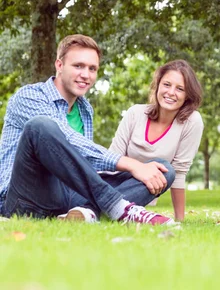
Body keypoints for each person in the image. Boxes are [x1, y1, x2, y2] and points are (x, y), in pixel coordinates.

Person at [0, 34, 176, 225]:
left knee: (161, 169)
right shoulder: (29, 96)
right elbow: (68, 139)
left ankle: (85, 213)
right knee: (40, 126)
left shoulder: (84, 109)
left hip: (66, 197)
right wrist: (131, 164)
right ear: (59, 65)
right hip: (25, 198)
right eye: (78, 66)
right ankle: (117, 208)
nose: (86, 75)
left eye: (92, 69)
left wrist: (139, 169)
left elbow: (81, 163)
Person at [109, 60, 204, 222]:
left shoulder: (192, 122)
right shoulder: (135, 113)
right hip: (112, 182)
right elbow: (111, 159)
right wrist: (137, 169)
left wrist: (179, 219)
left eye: (180, 89)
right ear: (158, 85)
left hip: (138, 191)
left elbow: (179, 172)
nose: (171, 92)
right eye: (167, 84)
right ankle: (99, 207)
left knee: (165, 170)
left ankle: (94, 209)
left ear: (188, 95)